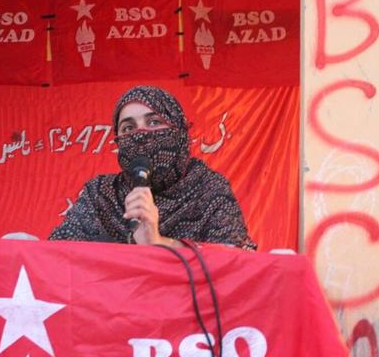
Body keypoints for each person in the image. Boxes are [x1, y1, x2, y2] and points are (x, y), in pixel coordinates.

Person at [49, 85, 256, 250]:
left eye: (154, 122)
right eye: (128, 128)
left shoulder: (209, 189)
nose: (141, 135)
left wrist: (159, 242)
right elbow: (57, 255)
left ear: (179, 131)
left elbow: (236, 259)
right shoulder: (100, 194)